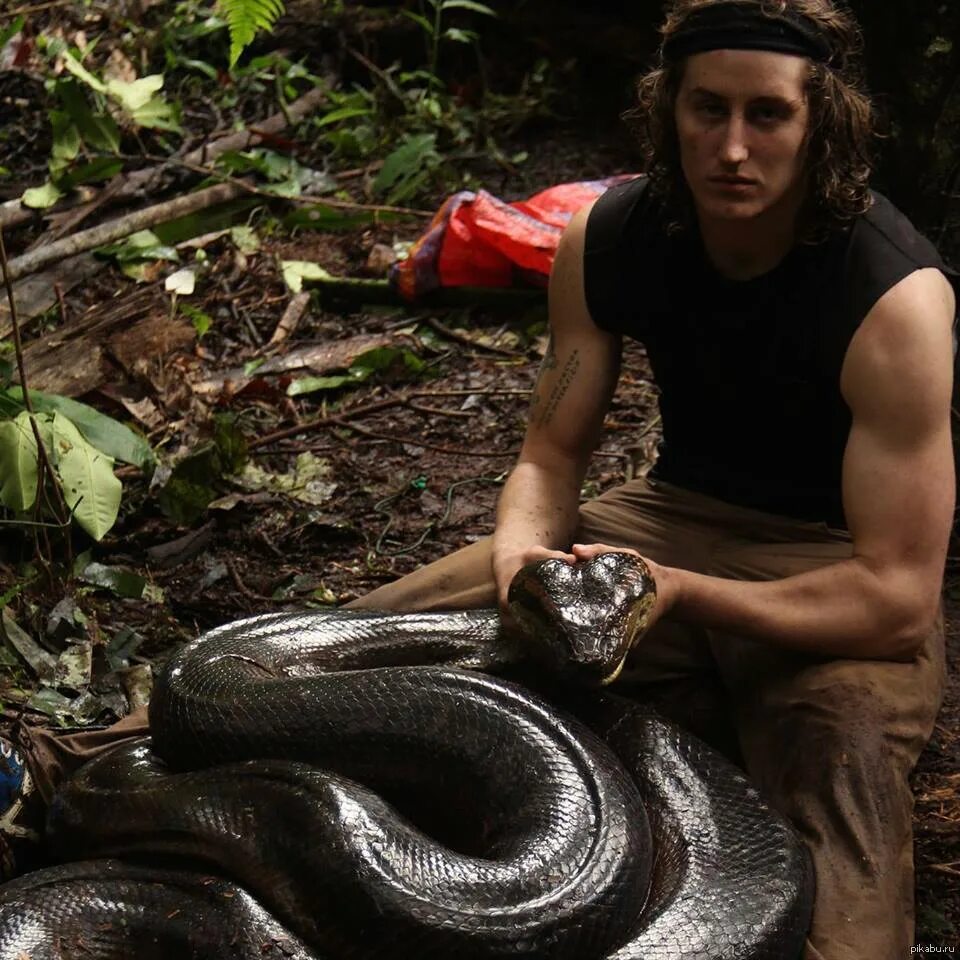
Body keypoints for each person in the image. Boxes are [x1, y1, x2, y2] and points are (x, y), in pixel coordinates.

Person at [2, 1, 957, 958]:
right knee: (344, 644)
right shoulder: (611, 235)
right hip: (666, 522)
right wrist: (521, 559)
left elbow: (898, 600)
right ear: (669, 110)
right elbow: (549, 457)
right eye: (708, 109)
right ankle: (57, 774)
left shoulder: (892, 297)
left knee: (838, 814)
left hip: (830, 570)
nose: (733, 148)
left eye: (769, 115)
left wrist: (673, 597)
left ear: (820, 120)